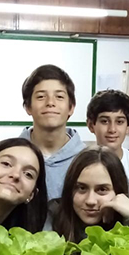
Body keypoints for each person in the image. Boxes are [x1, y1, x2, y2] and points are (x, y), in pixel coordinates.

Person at [19, 64, 85, 200]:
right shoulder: (8, 156)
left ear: (71, 107)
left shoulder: (87, 159)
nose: (50, 103)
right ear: (28, 107)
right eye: (41, 97)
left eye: (59, 97)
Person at [86, 89, 129, 210]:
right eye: (104, 121)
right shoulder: (80, 164)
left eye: (119, 122)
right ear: (91, 125)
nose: (112, 129)